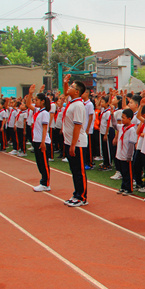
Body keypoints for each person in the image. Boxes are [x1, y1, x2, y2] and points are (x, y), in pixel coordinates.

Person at [61, 75, 89, 207]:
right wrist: (65, 83)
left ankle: (82, 197)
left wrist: (73, 145)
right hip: (69, 141)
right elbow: (66, 91)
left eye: (72, 87)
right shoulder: (72, 102)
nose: (69, 88)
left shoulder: (78, 105)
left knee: (79, 171)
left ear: (77, 92)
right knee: (74, 170)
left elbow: (78, 125)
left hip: (77, 143)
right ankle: (76, 193)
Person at [26, 85, 52, 192]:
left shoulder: (45, 113)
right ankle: (43, 181)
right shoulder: (38, 111)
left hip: (43, 141)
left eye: (37, 100)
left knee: (44, 163)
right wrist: (30, 93)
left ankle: (46, 184)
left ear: (42, 102)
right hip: (36, 140)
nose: (35, 101)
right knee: (39, 162)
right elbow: (28, 104)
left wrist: (43, 142)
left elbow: (45, 128)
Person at [116, 108, 137, 196]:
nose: (122, 119)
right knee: (122, 171)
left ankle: (129, 188)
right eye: (121, 117)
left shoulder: (132, 130)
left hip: (126, 155)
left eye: (124, 117)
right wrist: (112, 113)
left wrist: (129, 156)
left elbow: (132, 143)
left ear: (129, 119)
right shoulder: (121, 127)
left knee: (127, 172)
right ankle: (123, 186)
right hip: (120, 154)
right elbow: (114, 124)